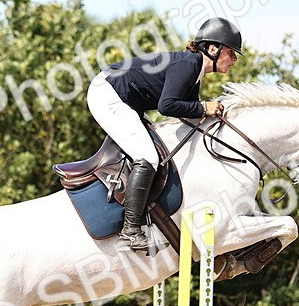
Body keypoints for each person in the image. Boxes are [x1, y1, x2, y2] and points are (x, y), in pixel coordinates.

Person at [86, 17, 243, 250]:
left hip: (123, 98)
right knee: (148, 156)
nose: (234, 60)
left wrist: (208, 110)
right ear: (213, 48)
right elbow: (167, 106)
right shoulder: (189, 64)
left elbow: (187, 112)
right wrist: (203, 108)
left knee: (153, 150)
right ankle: (130, 230)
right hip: (109, 94)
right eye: (231, 53)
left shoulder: (194, 71)